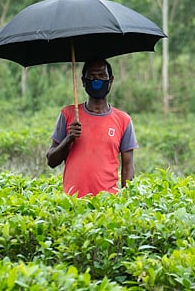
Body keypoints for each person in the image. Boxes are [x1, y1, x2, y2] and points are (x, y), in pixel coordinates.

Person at [47, 59, 136, 197]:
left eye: (102, 75)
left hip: (107, 203)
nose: (97, 80)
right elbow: (51, 161)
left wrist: (127, 199)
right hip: (72, 202)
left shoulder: (123, 120)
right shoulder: (68, 114)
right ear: (83, 81)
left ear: (110, 81)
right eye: (92, 76)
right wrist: (69, 138)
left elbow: (128, 168)